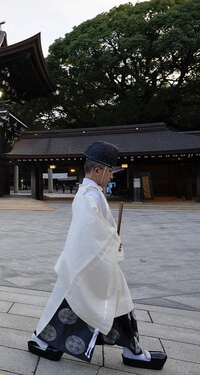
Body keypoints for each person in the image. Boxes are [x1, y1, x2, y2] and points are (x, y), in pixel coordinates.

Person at [28, 141, 167, 371]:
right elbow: (90, 234)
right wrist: (113, 241)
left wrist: (111, 240)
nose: (111, 175)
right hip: (89, 265)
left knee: (102, 305)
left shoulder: (91, 194)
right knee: (98, 304)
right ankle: (42, 340)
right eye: (110, 171)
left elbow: (96, 232)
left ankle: (129, 349)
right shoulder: (88, 197)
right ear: (97, 170)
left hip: (88, 263)